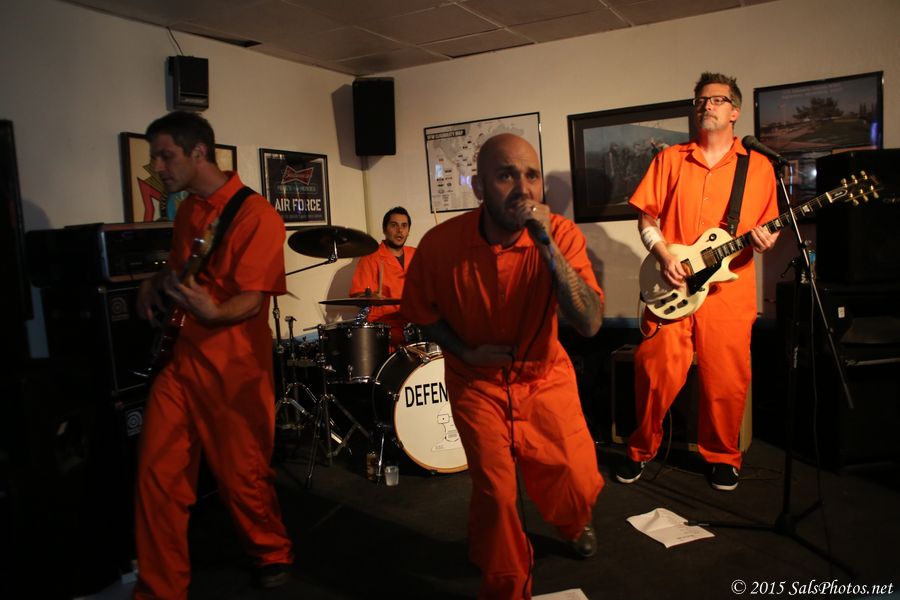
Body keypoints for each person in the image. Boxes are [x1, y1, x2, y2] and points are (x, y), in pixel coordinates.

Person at [401, 133, 605, 599]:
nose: (523, 188)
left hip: (544, 376)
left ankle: (572, 521)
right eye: (506, 175)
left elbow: (591, 323)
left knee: (575, 478)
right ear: (478, 187)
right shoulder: (439, 245)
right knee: (497, 492)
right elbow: (421, 313)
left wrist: (547, 244)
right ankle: (506, 580)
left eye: (531, 175)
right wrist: (465, 351)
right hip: (476, 380)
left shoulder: (561, 234)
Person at [133, 111, 294, 598]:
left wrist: (216, 310)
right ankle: (159, 589)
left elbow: (253, 298)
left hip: (234, 366)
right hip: (182, 362)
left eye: (166, 156)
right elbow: (183, 271)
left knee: (243, 476)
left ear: (198, 152)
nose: (158, 167)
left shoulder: (256, 215)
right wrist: (156, 281)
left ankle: (271, 551)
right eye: (155, 157)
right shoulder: (187, 212)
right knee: (157, 478)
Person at [616, 72, 780, 491]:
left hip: (729, 291)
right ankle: (640, 449)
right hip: (673, 284)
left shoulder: (759, 166)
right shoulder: (670, 159)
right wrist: (663, 253)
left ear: (734, 111)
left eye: (717, 99)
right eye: (701, 100)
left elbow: (769, 228)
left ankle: (723, 456)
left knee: (726, 378)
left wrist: (768, 239)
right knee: (653, 371)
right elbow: (647, 219)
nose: (707, 105)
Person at [349, 206, 415, 349]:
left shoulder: (416, 255)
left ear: (408, 230)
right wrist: (371, 297)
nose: (400, 230)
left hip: (414, 325)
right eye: (394, 225)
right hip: (385, 329)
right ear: (384, 229)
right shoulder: (370, 258)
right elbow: (359, 296)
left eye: (404, 226)